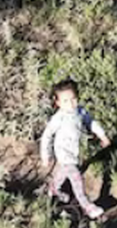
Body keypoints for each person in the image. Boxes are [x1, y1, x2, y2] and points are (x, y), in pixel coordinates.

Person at [39, 78, 112, 220]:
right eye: (65, 101)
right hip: (63, 154)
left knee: (64, 173)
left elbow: (91, 122)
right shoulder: (58, 118)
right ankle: (87, 206)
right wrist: (45, 156)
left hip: (74, 153)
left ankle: (54, 189)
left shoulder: (80, 112)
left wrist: (102, 136)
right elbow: (47, 136)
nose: (71, 104)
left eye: (73, 99)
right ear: (58, 103)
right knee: (76, 178)